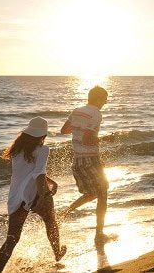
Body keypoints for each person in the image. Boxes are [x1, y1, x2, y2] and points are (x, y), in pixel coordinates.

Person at [0, 117, 66, 273]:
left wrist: (51, 181)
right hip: (34, 193)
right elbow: (38, 173)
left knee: (12, 238)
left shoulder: (16, 150)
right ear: (43, 134)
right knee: (51, 222)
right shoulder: (43, 149)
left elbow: (29, 172)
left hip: (16, 196)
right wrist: (43, 197)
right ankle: (58, 254)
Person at [59, 85, 110, 245]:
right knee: (102, 194)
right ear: (99, 99)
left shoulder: (77, 110)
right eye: (105, 100)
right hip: (91, 158)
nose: (105, 103)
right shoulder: (96, 113)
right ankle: (99, 235)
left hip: (77, 159)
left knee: (92, 193)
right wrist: (106, 139)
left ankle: (65, 212)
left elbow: (64, 130)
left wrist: (78, 127)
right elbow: (88, 139)